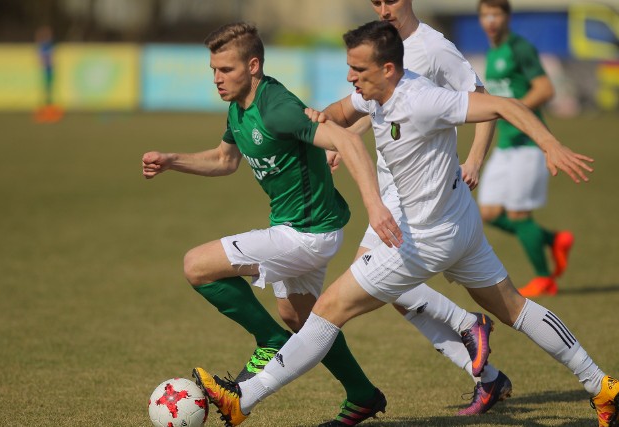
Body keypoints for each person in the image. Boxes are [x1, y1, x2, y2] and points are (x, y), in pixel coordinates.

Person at [192, 21, 618, 427]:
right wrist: (317, 118)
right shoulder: (374, 93)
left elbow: (502, 105)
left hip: (425, 237)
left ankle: (243, 401)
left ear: (388, 69)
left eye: (357, 69)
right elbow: (342, 110)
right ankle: (601, 386)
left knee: (325, 311)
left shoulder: (424, 100)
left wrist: (550, 144)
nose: (350, 77)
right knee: (515, 308)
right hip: (461, 224)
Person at [142, 21, 403, 426]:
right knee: (304, 319)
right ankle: (363, 395)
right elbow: (224, 160)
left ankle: (268, 342)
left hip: (307, 233)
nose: (217, 78)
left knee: (197, 265)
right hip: (303, 227)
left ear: (253, 65)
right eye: (213, 70)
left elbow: (349, 142)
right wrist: (172, 161)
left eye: (225, 70)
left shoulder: (277, 107)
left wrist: (375, 207)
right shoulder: (238, 108)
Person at [323, 0, 513, 417]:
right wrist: (346, 141)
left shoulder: (435, 47)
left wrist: (476, 159)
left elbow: (485, 102)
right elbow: (376, 108)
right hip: (391, 186)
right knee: (393, 293)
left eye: (390, 0)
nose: (383, 8)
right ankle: (488, 377)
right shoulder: (378, 48)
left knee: (373, 279)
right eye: (376, 1)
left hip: (422, 196)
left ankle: (468, 327)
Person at [477, 0, 572, 297]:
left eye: (496, 14)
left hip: (528, 144)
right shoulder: (493, 53)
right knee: (488, 212)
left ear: (507, 16)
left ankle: (545, 278)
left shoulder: (520, 48)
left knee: (519, 215)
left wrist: (513, 111)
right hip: (505, 145)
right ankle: (553, 239)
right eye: (484, 15)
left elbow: (545, 88)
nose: (490, 20)